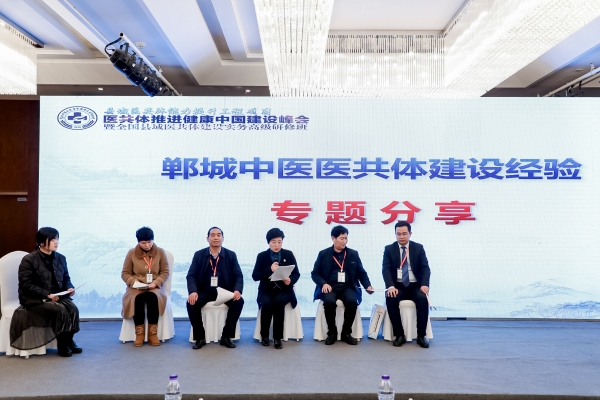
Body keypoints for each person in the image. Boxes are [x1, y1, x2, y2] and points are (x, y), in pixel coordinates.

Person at [9, 227, 81, 357]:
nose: (56, 242)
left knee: (73, 309)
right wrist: (47, 294)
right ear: (41, 242)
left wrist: (70, 288)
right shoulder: (29, 260)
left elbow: (66, 279)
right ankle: (62, 344)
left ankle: (69, 340)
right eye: (52, 240)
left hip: (57, 296)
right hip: (35, 298)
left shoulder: (61, 258)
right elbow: (26, 284)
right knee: (60, 311)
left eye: (57, 239)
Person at [311, 225, 374, 345]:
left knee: (352, 301)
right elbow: (315, 273)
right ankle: (332, 333)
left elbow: (361, 272)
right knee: (329, 302)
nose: (344, 241)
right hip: (330, 286)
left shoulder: (353, 254)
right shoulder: (323, 254)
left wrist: (368, 286)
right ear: (333, 238)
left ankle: (346, 333)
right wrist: (323, 283)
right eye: (341, 238)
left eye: (346, 238)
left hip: (348, 287)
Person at [186, 227, 244, 349]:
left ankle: (226, 337)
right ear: (207, 239)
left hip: (225, 291)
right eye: (212, 235)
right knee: (191, 303)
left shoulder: (231, 255)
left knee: (239, 301)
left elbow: (238, 275)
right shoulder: (199, 255)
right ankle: (200, 337)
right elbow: (191, 275)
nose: (216, 238)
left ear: (223, 238)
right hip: (205, 291)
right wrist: (193, 291)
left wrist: (237, 290)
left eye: (218, 235)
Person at [382, 221, 431, 348]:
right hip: (398, 286)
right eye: (398, 234)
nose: (401, 237)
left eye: (404, 234)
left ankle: (421, 336)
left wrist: (425, 284)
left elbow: (425, 268)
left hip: (415, 285)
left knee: (422, 299)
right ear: (395, 234)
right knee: (391, 298)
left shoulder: (418, 248)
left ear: (410, 233)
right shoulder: (389, 249)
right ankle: (399, 335)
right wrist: (390, 286)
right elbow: (386, 269)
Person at [252, 228, 300, 350]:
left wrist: (290, 280)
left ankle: (277, 338)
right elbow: (255, 276)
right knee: (266, 303)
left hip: (284, 289)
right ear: (268, 242)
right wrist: (270, 269)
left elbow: (296, 273)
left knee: (278, 302)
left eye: (279, 242)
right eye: (273, 242)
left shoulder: (288, 254)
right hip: (267, 289)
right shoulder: (262, 256)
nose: (277, 245)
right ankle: (265, 336)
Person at [121, 227, 170, 347]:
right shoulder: (131, 253)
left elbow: (165, 272)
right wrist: (135, 283)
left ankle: (153, 334)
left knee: (153, 298)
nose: (147, 245)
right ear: (138, 242)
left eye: (149, 242)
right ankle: (139, 334)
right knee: (138, 299)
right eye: (143, 243)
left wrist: (156, 283)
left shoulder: (160, 252)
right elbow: (125, 273)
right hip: (136, 287)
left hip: (154, 286)